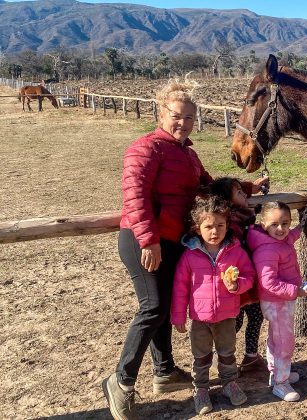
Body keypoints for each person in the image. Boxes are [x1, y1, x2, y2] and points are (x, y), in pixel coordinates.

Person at [102, 78, 268, 420]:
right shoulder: (145, 148)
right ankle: (120, 381)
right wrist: (148, 239)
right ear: (162, 113)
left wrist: (248, 187)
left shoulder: (188, 154)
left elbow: (211, 187)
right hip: (143, 240)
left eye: (190, 118)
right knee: (154, 306)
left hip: (173, 240)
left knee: (161, 306)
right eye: (178, 116)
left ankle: (164, 372)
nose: (183, 123)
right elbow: (134, 196)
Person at [171, 196, 255, 414]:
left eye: (220, 225)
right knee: (201, 356)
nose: (215, 231)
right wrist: (178, 316)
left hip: (227, 316)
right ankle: (200, 389)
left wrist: (237, 285)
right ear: (198, 229)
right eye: (209, 226)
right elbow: (180, 288)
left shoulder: (235, 252)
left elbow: (250, 275)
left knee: (227, 353)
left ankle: (229, 383)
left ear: (227, 225)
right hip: (200, 318)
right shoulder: (190, 256)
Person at [247, 201, 307, 402]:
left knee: (276, 338)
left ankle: (278, 372)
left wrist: (301, 226)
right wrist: (296, 291)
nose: (281, 228)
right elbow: (268, 283)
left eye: (286, 223)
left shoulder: (279, 239)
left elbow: (291, 236)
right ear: (263, 224)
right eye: (274, 224)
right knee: (284, 341)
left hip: (281, 301)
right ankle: (281, 383)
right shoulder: (267, 251)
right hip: (277, 301)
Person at [207, 177, 265, 372]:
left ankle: (251, 356)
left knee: (256, 316)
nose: (245, 195)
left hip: (249, 277)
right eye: (239, 193)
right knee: (236, 321)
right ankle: (222, 356)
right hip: (236, 280)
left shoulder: (244, 216)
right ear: (229, 202)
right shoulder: (232, 223)